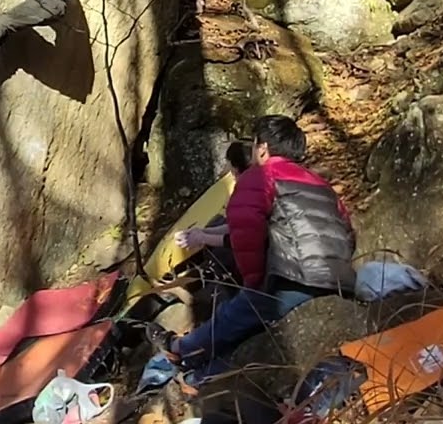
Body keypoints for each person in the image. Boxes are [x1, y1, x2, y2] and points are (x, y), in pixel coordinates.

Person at [148, 115, 357, 383]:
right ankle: (200, 374)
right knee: (254, 331)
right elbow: (348, 232)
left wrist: (253, 282)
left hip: (296, 281)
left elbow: (246, 231)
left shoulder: (261, 176)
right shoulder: (321, 184)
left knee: (236, 315)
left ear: (262, 148)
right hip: (341, 282)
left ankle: (180, 350)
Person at [173, 140, 254, 251]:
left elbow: (241, 239)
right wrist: (203, 232)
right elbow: (236, 227)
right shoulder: (257, 187)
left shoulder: (251, 196)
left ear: (236, 170)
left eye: (232, 173)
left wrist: (203, 238)